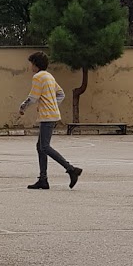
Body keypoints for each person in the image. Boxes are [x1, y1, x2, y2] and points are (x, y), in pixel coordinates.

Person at [19, 51, 82, 190]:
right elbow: (61, 94)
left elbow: (33, 97)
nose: (30, 67)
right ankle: (43, 179)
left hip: (47, 116)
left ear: (35, 64)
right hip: (51, 114)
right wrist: (53, 105)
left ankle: (71, 169)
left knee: (45, 147)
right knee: (40, 146)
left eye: (31, 64)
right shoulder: (49, 76)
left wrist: (22, 107)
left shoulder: (38, 77)